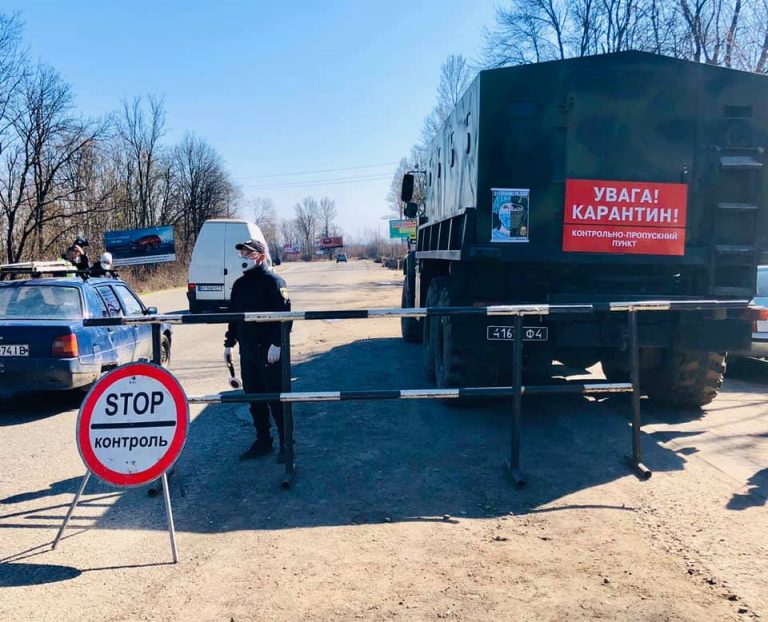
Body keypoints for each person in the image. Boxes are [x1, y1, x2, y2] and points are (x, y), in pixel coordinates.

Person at [224, 238, 291, 461]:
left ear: (261, 256)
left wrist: (277, 344)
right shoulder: (240, 285)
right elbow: (234, 317)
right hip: (248, 351)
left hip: (270, 352)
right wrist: (229, 343)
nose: (243, 257)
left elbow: (285, 318)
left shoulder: (274, 282)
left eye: (248, 253)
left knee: (277, 399)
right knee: (254, 398)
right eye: (242, 253)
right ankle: (263, 440)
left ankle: (286, 443)